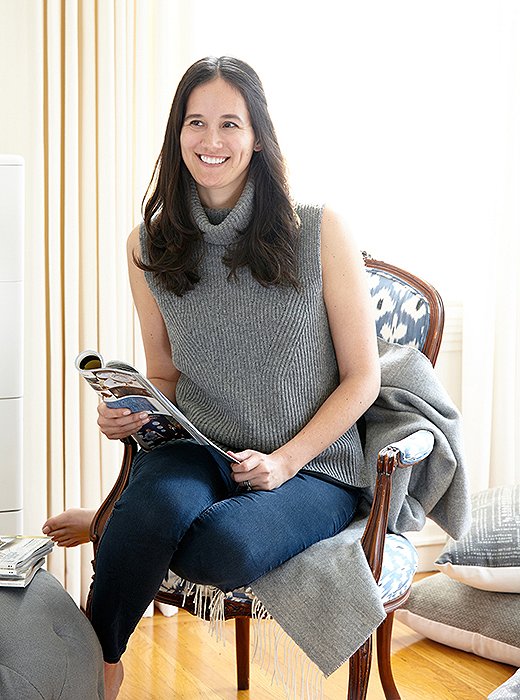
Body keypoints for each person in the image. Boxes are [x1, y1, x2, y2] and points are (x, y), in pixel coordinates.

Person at [43, 56, 380, 700]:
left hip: (312, 465)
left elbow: (363, 378)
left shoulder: (318, 230)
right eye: (196, 124)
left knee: (219, 553)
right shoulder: (149, 244)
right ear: (177, 136)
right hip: (199, 447)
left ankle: (116, 522)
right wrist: (131, 410)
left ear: (258, 137)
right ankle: (100, 666)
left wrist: (284, 461)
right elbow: (165, 372)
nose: (212, 141)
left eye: (231, 123)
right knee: (159, 504)